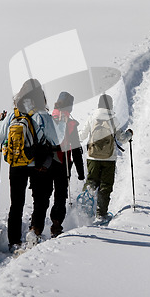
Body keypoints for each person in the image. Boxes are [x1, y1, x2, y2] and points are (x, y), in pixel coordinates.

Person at [0, 78, 66, 252]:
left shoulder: (14, 114)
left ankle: (14, 242)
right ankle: (34, 232)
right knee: (40, 200)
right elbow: (56, 139)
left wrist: (1, 121)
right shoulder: (42, 115)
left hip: (16, 162)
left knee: (16, 202)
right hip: (38, 163)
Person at [79, 94, 133, 223]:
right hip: (109, 158)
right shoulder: (113, 119)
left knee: (91, 181)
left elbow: (82, 136)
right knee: (105, 186)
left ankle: (85, 209)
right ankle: (101, 214)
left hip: (92, 156)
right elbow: (122, 139)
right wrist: (129, 134)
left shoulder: (92, 117)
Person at [49, 92, 85, 238]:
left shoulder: (48, 118)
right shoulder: (69, 123)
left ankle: (35, 227)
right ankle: (56, 225)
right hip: (63, 164)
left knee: (42, 197)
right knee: (60, 196)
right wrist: (81, 173)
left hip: (45, 164)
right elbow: (76, 150)